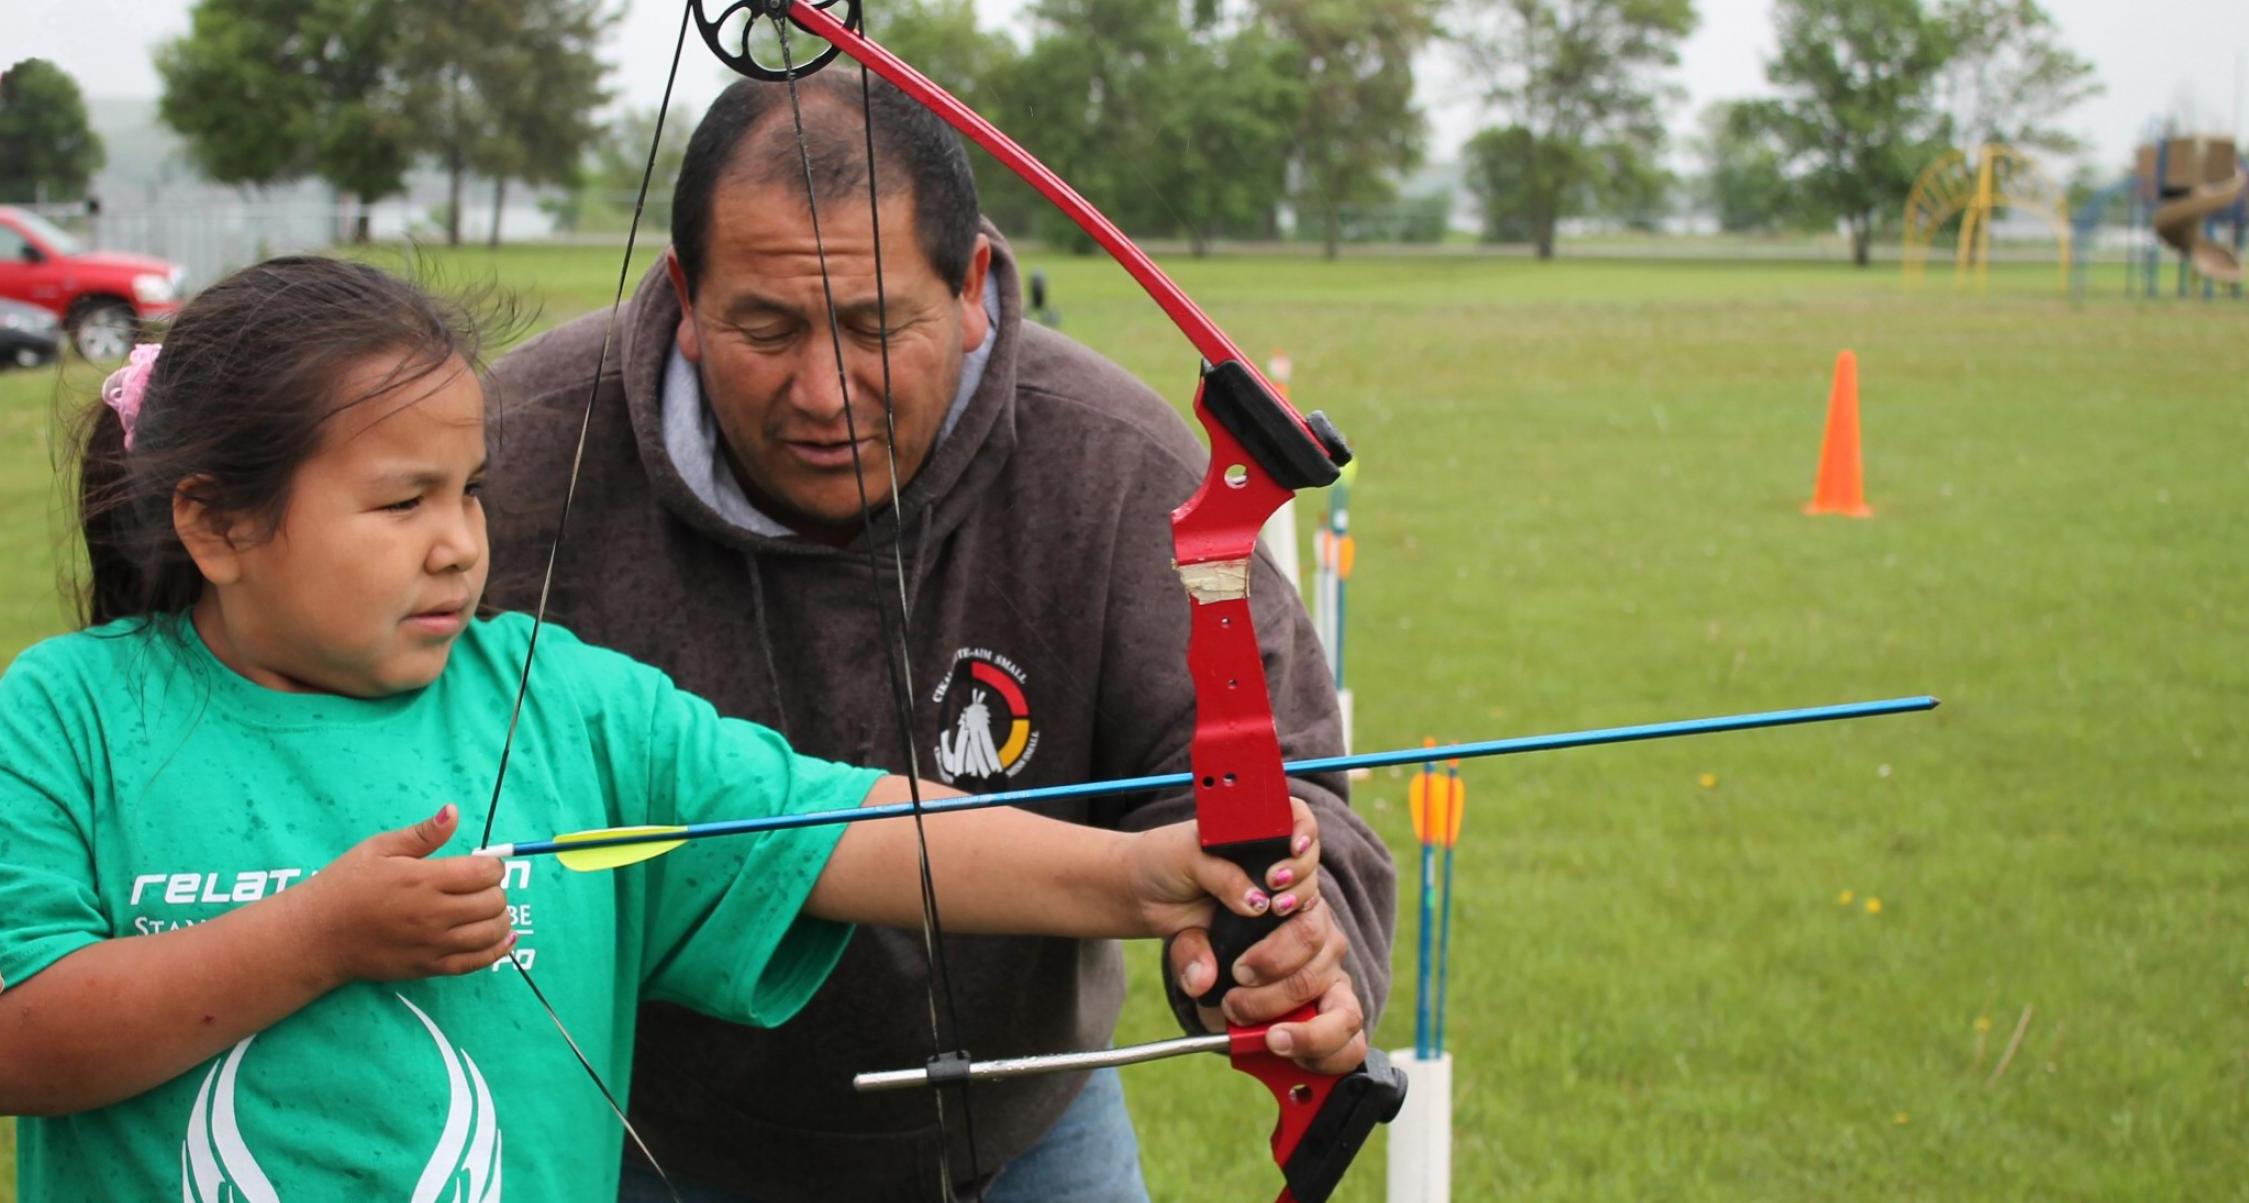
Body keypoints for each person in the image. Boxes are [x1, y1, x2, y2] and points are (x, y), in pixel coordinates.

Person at [0, 256, 1347, 1201]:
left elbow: (837, 826)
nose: (459, 544)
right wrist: (320, 936)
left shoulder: (557, 696)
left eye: (470, 493)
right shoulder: (68, 714)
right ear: (219, 524)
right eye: (401, 504)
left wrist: (1132, 872)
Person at [484, 73, 1398, 1201]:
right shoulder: (505, 458)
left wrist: (1289, 957)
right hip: (640, 1125)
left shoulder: (1116, 465)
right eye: (764, 326)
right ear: (682, 297)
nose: (824, 392)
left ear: (971, 288)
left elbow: (1280, 794)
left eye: (876, 326)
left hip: (1023, 1129)